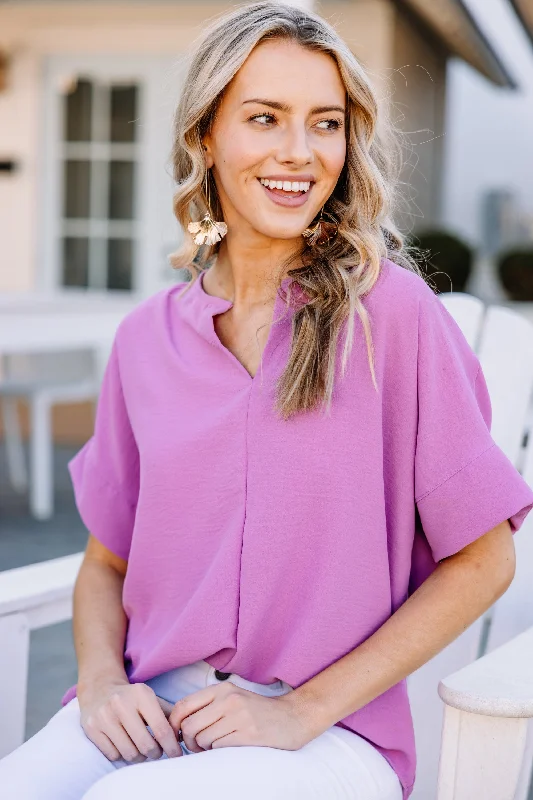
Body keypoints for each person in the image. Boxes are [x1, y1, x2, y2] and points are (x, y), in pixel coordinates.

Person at [2, 3, 533, 799]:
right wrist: (102, 681)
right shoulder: (149, 338)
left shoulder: (391, 315)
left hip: (324, 732)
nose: (299, 152)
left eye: (325, 123)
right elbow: (105, 562)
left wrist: (301, 712)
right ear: (205, 137)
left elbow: (484, 557)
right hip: (152, 705)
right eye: (264, 118)